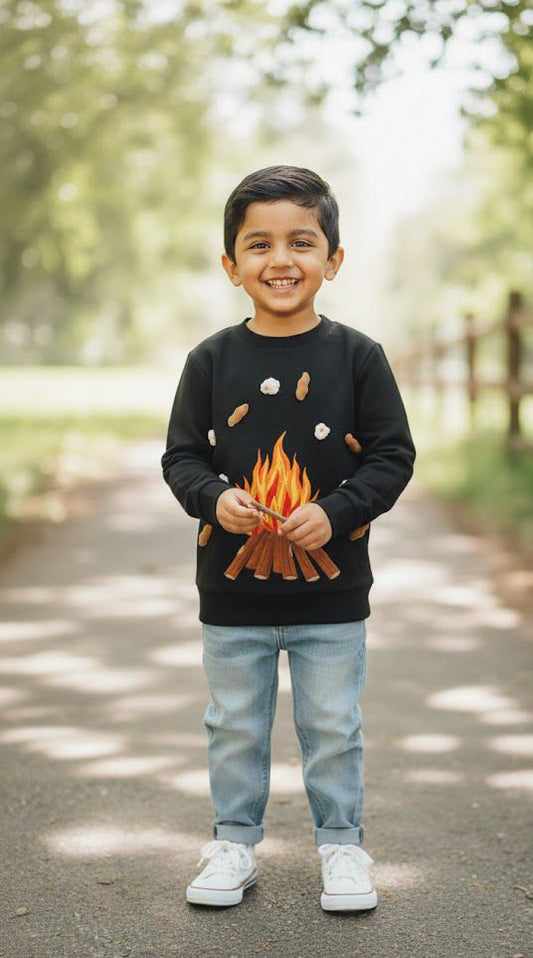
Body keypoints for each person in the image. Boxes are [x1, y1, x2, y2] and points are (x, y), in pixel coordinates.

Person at [161, 165, 416, 912]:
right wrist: (215, 499)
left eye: (301, 242)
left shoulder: (357, 357)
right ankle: (232, 845)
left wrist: (336, 512)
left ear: (332, 260)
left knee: (331, 726)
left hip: (331, 594)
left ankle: (342, 846)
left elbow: (391, 456)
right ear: (230, 265)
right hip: (230, 589)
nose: (280, 259)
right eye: (258, 244)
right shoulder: (210, 360)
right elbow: (181, 456)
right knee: (234, 725)